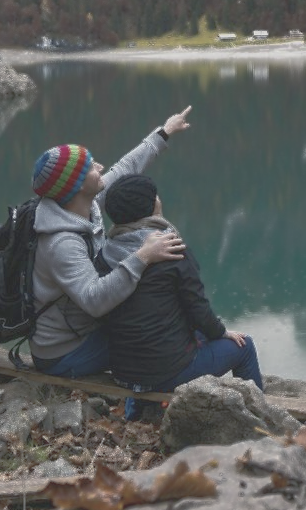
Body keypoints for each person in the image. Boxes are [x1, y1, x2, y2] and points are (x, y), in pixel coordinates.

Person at [27, 106, 193, 378]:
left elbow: (125, 167)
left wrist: (164, 132)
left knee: (161, 325)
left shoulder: (82, 204)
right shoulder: (61, 243)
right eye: (92, 166)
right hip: (64, 352)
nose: (100, 167)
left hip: (83, 329)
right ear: (78, 184)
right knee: (160, 339)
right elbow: (94, 300)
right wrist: (142, 256)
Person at [98, 173, 261, 409]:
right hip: (164, 373)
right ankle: (259, 416)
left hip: (123, 371)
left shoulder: (106, 251)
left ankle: (138, 410)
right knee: (244, 346)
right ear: (153, 206)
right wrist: (222, 332)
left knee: (183, 331)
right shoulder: (171, 250)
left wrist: (214, 331)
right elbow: (197, 308)